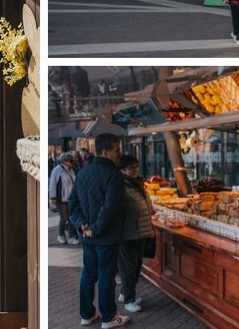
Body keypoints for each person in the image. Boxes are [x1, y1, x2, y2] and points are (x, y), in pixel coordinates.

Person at [67, 133, 128, 329]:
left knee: (88, 274)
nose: (119, 154)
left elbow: (73, 203)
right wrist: (95, 229)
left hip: (87, 236)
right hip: (106, 236)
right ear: (105, 151)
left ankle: (86, 314)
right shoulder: (114, 175)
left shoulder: (83, 172)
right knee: (105, 275)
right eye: (116, 150)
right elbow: (111, 207)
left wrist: (82, 225)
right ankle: (109, 317)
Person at [116, 155, 154, 314]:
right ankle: (129, 300)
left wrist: (149, 208)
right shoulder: (120, 185)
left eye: (136, 167)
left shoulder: (136, 183)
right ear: (123, 170)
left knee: (136, 265)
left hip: (141, 231)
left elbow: (144, 199)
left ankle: (126, 294)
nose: (135, 170)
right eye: (131, 168)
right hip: (128, 232)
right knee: (128, 267)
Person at [48, 152, 79, 246]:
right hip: (61, 198)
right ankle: (61, 235)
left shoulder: (71, 170)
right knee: (64, 217)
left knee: (71, 218)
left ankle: (71, 237)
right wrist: (52, 197)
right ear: (65, 162)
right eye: (71, 161)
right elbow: (52, 183)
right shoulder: (57, 170)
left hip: (70, 198)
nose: (73, 162)